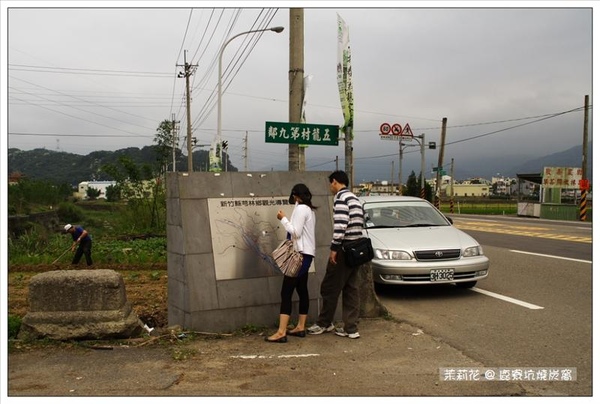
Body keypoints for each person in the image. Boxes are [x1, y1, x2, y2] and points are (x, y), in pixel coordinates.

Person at [307, 170, 364, 339]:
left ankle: (324, 323)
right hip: (357, 249)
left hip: (344, 248)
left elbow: (340, 226)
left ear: (334, 182)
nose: (330, 187)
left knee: (329, 286)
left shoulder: (341, 199)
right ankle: (351, 328)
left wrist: (334, 249)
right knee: (351, 289)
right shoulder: (355, 198)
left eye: (330, 184)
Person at [265, 183, 317, 343]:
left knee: (286, 292)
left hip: (299, 256)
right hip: (306, 255)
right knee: (302, 289)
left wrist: (283, 219)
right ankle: (300, 327)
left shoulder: (302, 209)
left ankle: (281, 332)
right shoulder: (309, 210)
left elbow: (296, 232)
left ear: (296, 196)